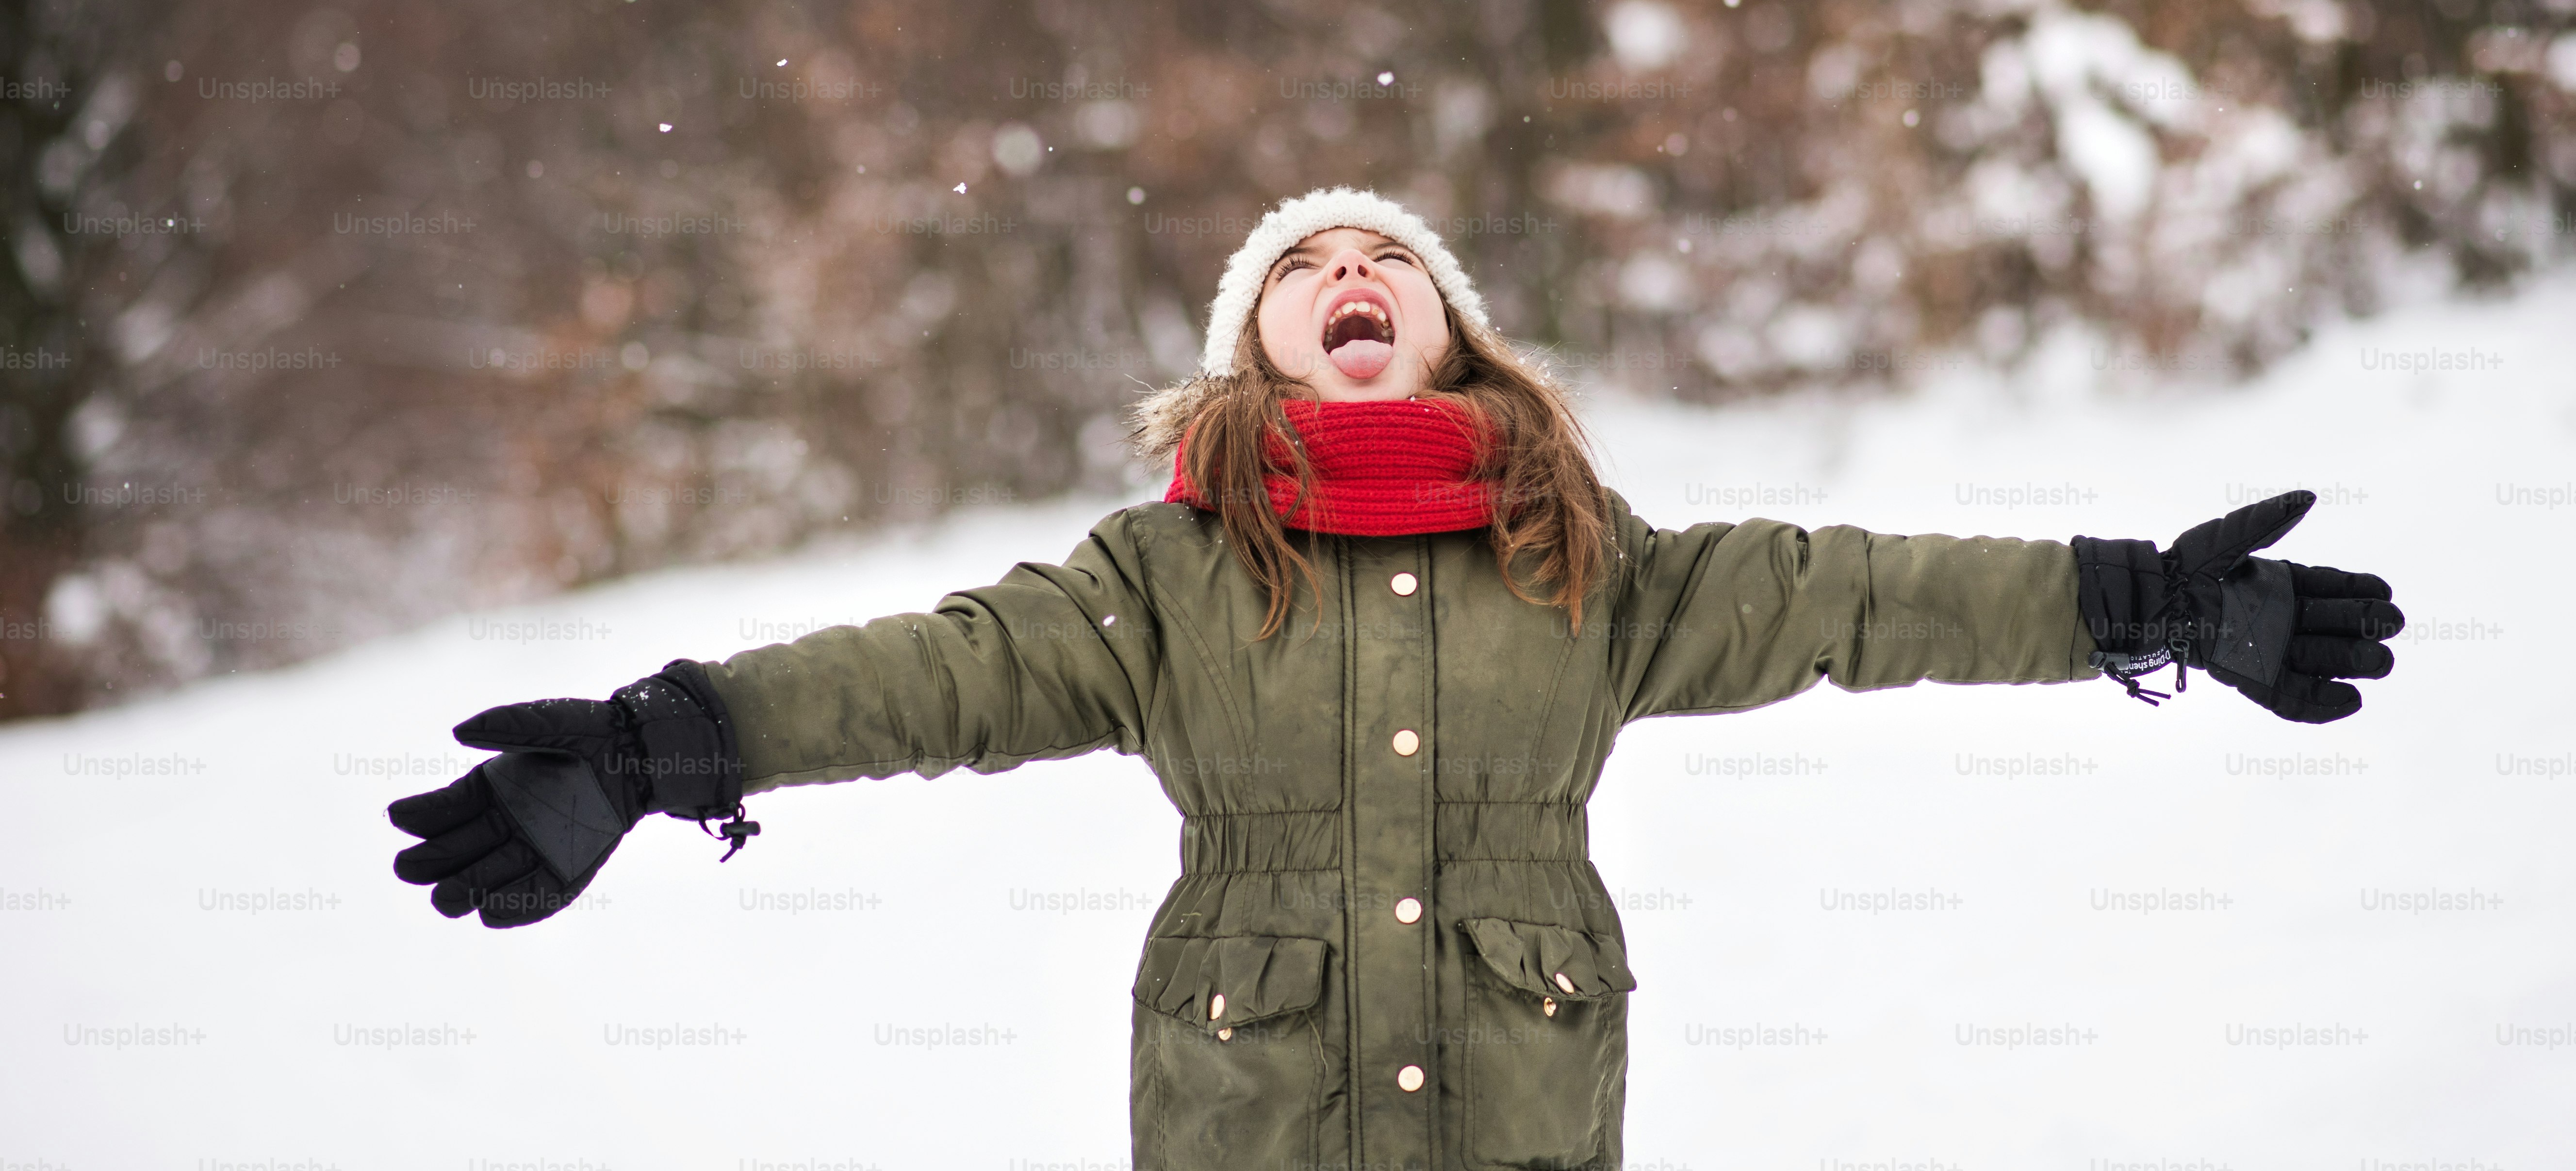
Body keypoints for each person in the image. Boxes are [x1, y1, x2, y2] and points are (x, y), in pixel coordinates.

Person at [389, 185, 2403, 1171]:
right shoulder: (1166, 571)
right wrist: (675, 738)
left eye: (1387, 259)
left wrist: (2126, 596)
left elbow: (1847, 595)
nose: (1347, 271)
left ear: (1445, 336)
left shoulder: (1585, 563)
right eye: (1300, 264)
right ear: (1260, 347)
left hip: (1524, 1104)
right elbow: (945, 671)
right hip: (1242, 1112)